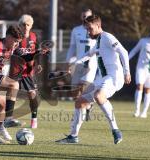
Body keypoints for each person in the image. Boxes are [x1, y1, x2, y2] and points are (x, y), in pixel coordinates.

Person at [56, 15, 131, 144]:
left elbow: (123, 51)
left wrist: (127, 72)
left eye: (90, 28)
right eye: (87, 29)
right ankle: (73, 137)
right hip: (104, 79)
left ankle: (116, 130)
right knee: (80, 102)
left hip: (114, 77)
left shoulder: (107, 37)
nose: (88, 32)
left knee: (98, 95)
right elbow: (88, 54)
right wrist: (74, 65)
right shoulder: (99, 41)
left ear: (98, 26)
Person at [4, 14, 47, 129]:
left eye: (28, 25)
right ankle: (8, 118)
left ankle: (34, 118)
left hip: (28, 72)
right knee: (11, 93)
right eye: (23, 24)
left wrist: (37, 64)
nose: (26, 27)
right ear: (20, 25)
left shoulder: (34, 37)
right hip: (16, 70)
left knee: (32, 95)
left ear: (31, 25)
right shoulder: (16, 37)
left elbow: (35, 52)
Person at [66, 8, 97, 121]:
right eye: (84, 16)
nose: (85, 18)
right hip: (78, 64)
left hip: (91, 64)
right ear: (81, 17)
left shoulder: (96, 30)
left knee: (84, 88)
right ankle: (87, 107)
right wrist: (68, 61)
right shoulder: (76, 30)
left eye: (88, 16)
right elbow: (72, 47)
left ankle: (80, 116)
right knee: (75, 91)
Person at [129, 27, 150, 118]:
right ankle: (136, 110)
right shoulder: (143, 41)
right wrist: (126, 59)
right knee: (139, 86)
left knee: (148, 90)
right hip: (141, 68)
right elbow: (134, 51)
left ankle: (144, 112)